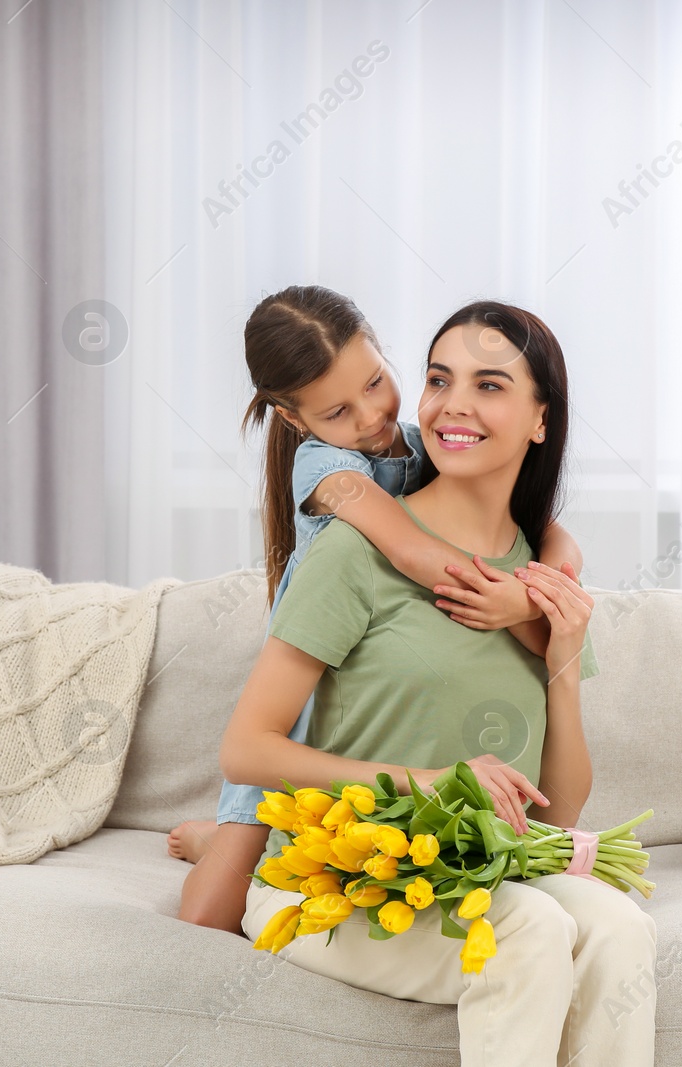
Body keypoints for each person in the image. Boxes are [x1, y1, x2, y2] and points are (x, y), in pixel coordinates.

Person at [220, 301, 656, 1067]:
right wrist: (427, 783)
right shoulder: (352, 548)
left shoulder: (539, 580)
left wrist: (562, 654)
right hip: (333, 876)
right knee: (531, 925)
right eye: (438, 378)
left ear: (539, 420)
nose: (454, 403)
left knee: (621, 924)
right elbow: (245, 750)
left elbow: (563, 806)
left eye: (489, 385)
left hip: (469, 872)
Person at [170, 285, 596, 936]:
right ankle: (216, 841)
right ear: (296, 418)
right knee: (210, 909)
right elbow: (417, 552)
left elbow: (553, 533)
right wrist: (513, 597)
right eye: (339, 408)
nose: (371, 415)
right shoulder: (331, 473)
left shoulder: (424, 443)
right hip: (303, 711)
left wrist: (541, 587)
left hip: (380, 758)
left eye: (379, 381)